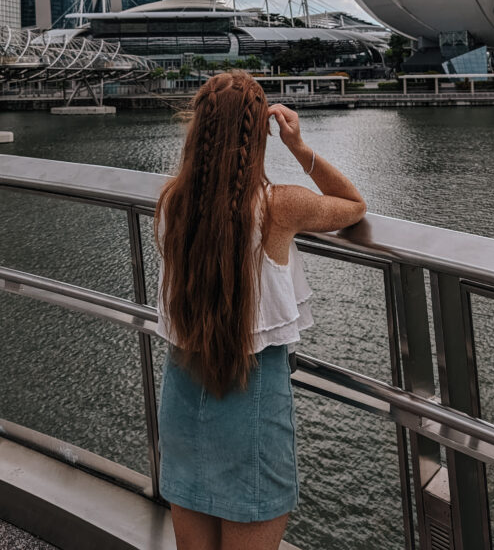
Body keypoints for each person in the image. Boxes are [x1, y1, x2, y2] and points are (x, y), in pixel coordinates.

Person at [154, 71, 366, 550]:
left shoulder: (173, 201)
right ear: (257, 135)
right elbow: (353, 203)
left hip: (183, 393)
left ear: (198, 129)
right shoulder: (279, 207)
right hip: (252, 394)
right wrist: (297, 145)